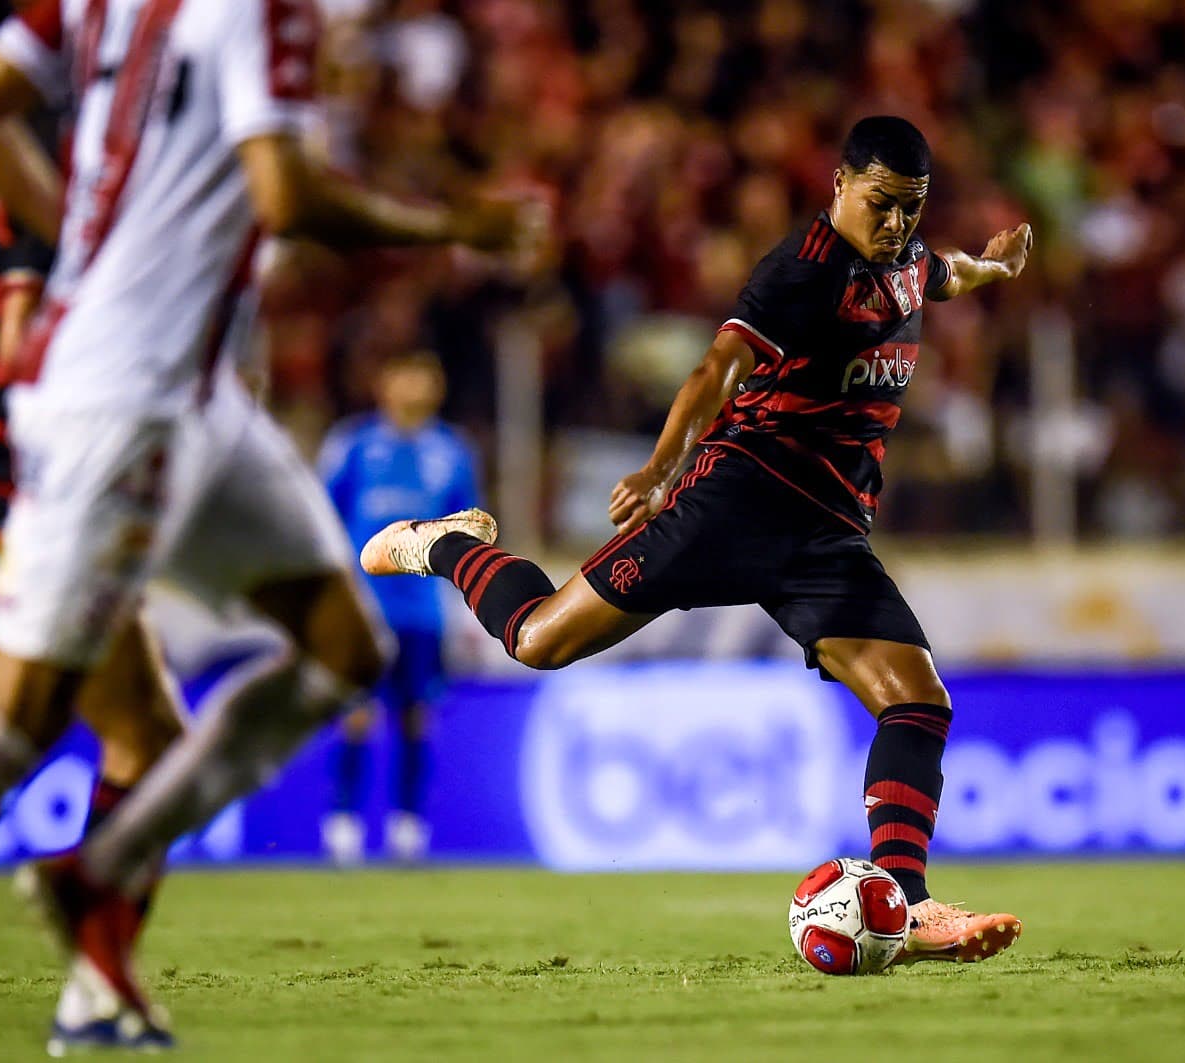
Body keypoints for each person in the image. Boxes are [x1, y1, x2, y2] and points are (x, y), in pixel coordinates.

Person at [0, 0, 541, 1048]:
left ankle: (96, 869)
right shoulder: (264, 11)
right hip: (119, 400)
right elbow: (284, 195)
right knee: (18, 715)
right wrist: (452, 227)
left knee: (346, 648)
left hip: (196, 400)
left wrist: (82, 246)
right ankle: (96, 905)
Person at [364, 115, 1032, 964]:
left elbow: (946, 274)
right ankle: (447, 544)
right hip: (729, 502)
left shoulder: (905, 263)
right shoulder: (799, 272)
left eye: (910, 208)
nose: (895, 223)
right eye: (880, 204)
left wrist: (995, 265)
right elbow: (715, 369)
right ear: (838, 186)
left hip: (825, 536)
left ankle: (910, 903)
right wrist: (656, 469)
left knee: (918, 699)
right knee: (536, 640)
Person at [0, 196, 188, 1051]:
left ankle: (96, 989)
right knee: (147, 740)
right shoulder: (76, 169)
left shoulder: (30, 169)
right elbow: (20, 338)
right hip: (43, 488)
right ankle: (94, 992)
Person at [318, 350, 479, 864]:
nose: (416, 387)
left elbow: (468, 525)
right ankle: (343, 823)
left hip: (424, 612)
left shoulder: (451, 451)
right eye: (406, 376)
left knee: (415, 717)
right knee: (357, 715)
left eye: (426, 377)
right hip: (364, 608)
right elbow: (323, 515)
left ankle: (408, 826)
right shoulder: (354, 445)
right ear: (385, 384)